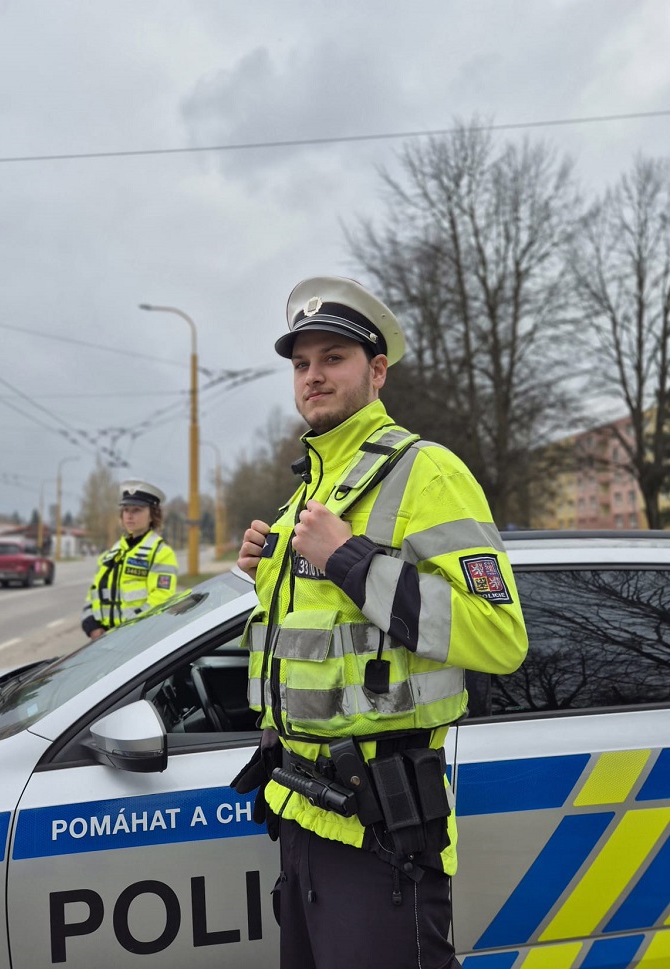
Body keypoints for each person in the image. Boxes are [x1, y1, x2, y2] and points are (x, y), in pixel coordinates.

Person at [233, 276, 529, 969]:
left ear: (376, 370)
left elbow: (500, 634)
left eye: (333, 357)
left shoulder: (427, 472)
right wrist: (267, 574)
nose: (313, 376)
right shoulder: (309, 490)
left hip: (380, 831)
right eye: (302, 364)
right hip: (302, 812)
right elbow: (322, 644)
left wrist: (351, 560)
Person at [81, 479, 178, 639]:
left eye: (137, 510)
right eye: (126, 510)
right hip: (104, 639)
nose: (130, 516)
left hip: (138, 639)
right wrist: (91, 626)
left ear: (152, 515)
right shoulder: (111, 553)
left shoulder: (161, 553)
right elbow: (93, 594)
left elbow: (161, 600)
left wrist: (125, 631)